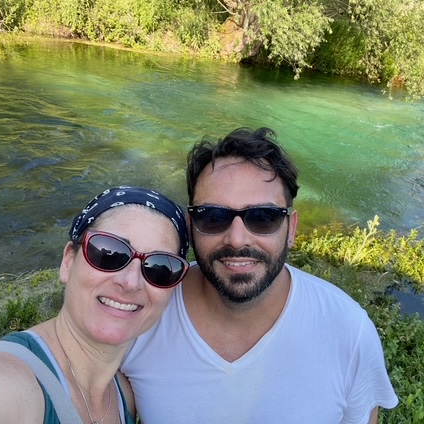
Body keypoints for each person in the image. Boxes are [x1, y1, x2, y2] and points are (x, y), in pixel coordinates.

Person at [122, 128, 398, 423]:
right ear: (192, 225)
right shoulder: (143, 313)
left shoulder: (348, 331)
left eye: (263, 218)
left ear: (291, 229)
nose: (238, 239)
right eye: (213, 217)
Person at [0, 186, 190, 424]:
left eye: (161, 268)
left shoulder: (124, 395)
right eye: (109, 253)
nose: (130, 282)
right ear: (68, 262)